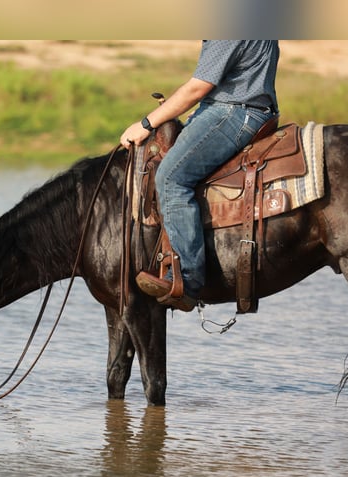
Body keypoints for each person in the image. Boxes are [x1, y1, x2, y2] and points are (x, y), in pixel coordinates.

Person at [120, 40, 280, 311]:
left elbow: (198, 87)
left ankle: (188, 280)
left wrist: (146, 124)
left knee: (171, 177)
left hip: (234, 111)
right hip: (249, 108)